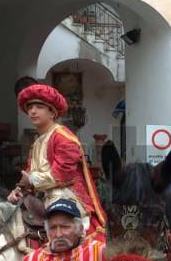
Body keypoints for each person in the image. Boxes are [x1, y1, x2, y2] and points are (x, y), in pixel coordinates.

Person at [8, 83, 104, 228]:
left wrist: (31, 180)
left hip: (66, 195)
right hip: (43, 196)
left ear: (52, 113)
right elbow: (30, 173)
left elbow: (63, 174)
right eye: (30, 108)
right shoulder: (37, 142)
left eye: (39, 107)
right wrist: (19, 190)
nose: (33, 111)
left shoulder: (63, 136)